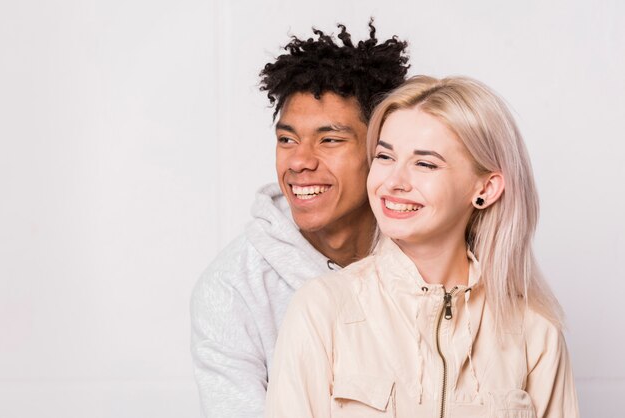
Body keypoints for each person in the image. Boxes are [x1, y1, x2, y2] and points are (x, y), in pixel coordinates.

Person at [265, 76, 579, 418]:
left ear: (486, 189)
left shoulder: (535, 330)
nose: (393, 182)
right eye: (385, 157)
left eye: (425, 163)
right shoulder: (323, 309)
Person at [190, 21, 409, 418]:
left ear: (380, 149)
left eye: (329, 139)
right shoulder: (232, 289)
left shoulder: (431, 251)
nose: (299, 161)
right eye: (287, 139)